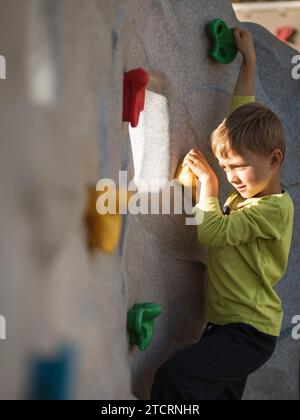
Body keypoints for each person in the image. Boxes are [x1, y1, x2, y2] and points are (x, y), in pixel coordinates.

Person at [151, 28, 295, 401]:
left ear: (274, 159)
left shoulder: (272, 209)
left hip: (248, 334)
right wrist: (249, 61)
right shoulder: (252, 180)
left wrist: (210, 187)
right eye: (225, 167)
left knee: (175, 378)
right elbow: (240, 113)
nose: (232, 177)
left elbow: (212, 233)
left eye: (237, 168)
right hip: (225, 328)